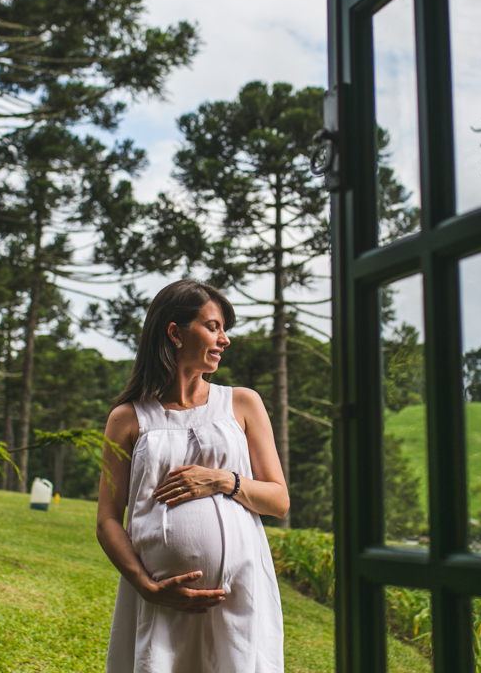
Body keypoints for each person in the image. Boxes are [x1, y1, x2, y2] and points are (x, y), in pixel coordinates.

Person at [97, 280, 289, 673]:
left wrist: (222, 480)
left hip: (238, 596)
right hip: (160, 601)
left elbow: (279, 500)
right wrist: (146, 586)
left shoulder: (242, 403)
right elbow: (107, 520)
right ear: (174, 332)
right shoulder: (128, 418)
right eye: (214, 326)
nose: (225, 339)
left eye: (224, 329)